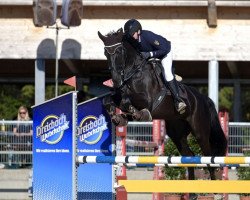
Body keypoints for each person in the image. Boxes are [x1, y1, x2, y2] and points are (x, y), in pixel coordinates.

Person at [124, 19, 186, 113]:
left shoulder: (148, 36)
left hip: (164, 52)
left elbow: (164, 49)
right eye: (130, 35)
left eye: (133, 34)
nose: (132, 37)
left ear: (139, 31)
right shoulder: (132, 39)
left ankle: (178, 101)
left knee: (168, 74)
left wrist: (150, 54)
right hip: (149, 55)